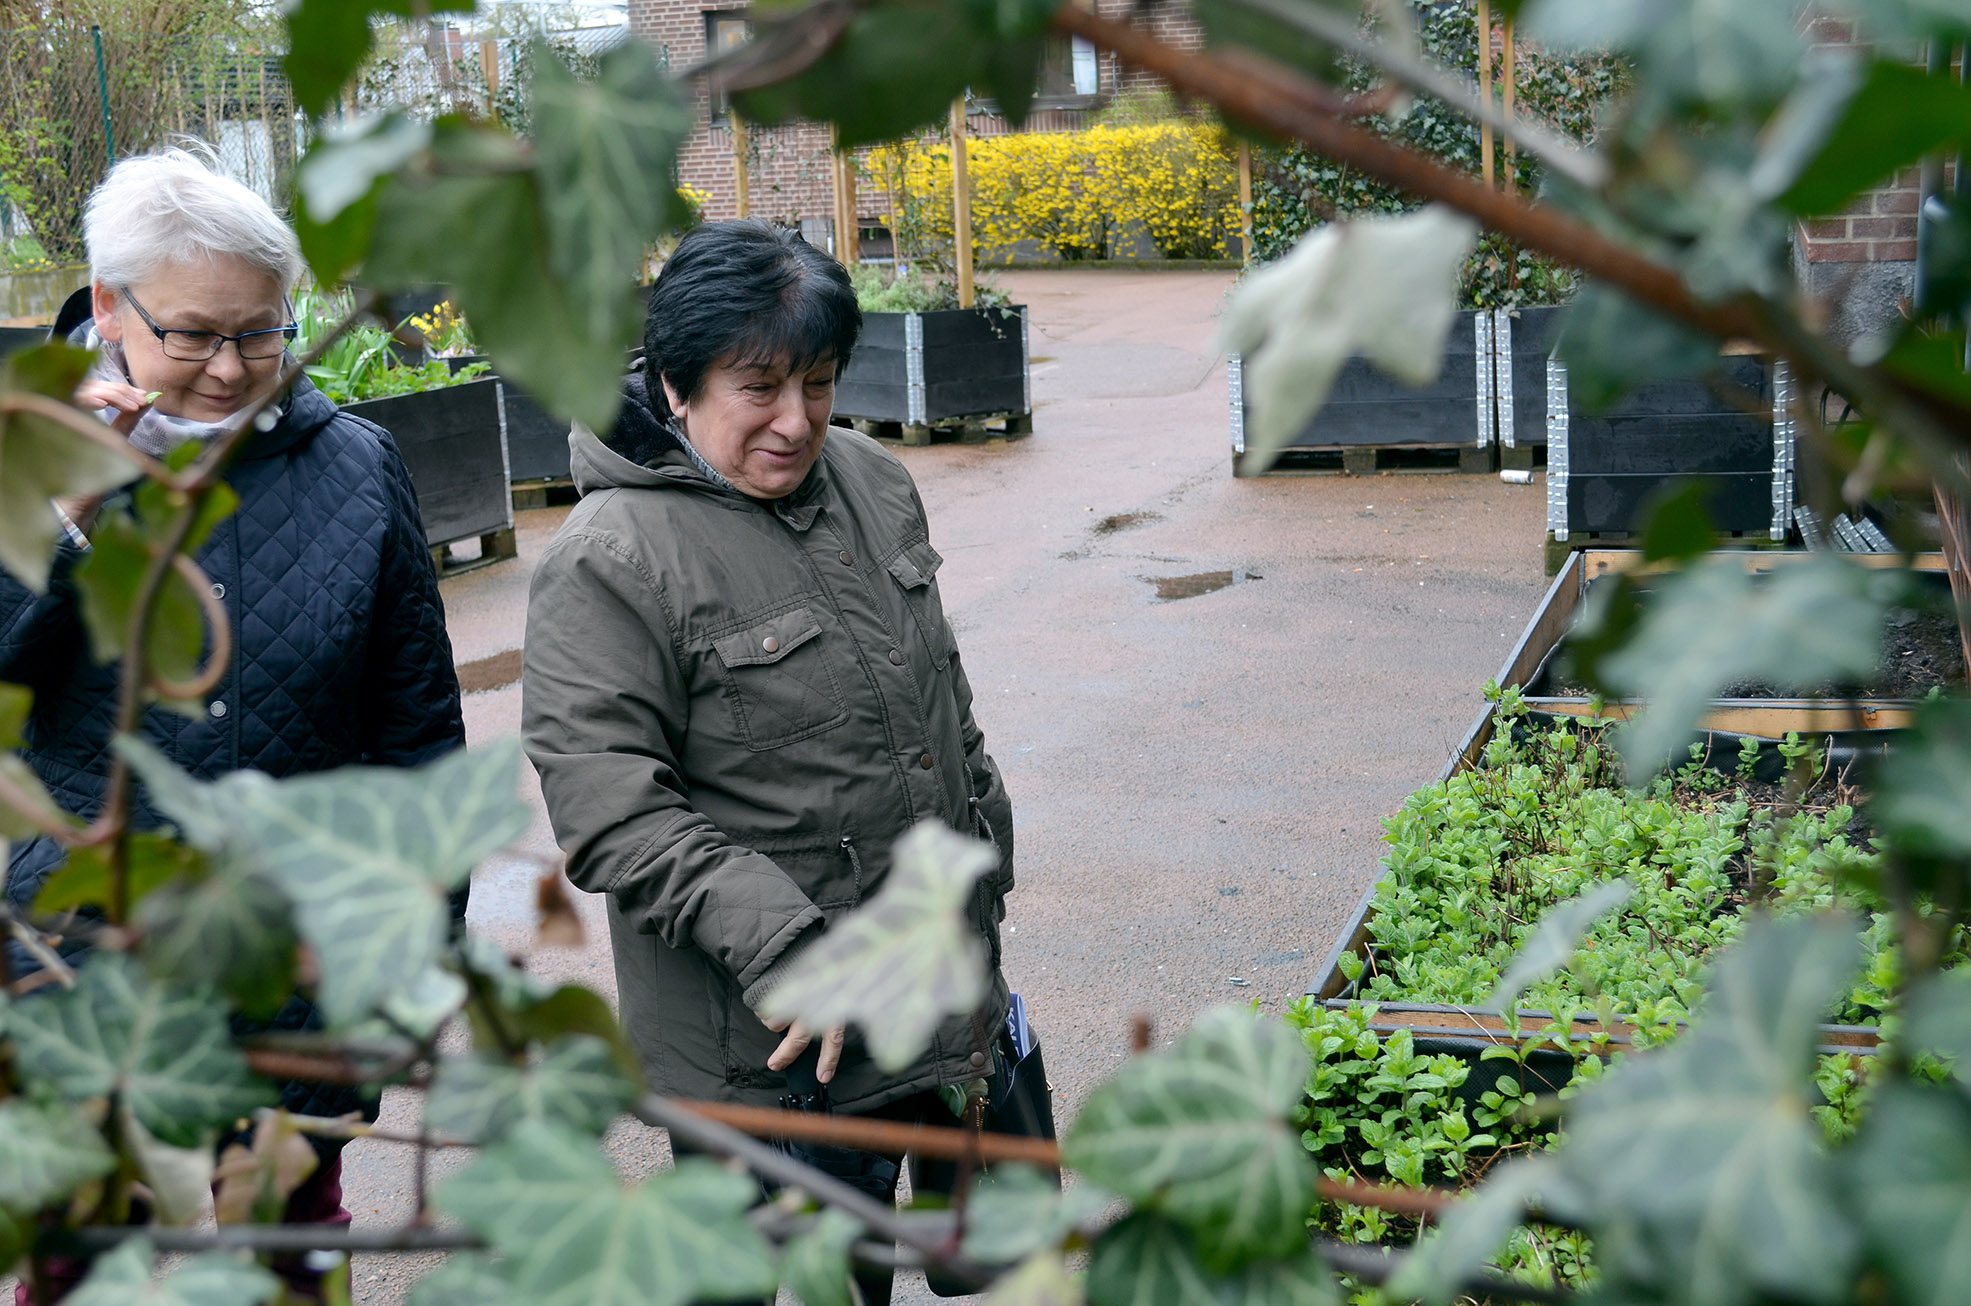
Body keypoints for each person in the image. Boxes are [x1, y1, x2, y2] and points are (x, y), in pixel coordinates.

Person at [523, 219, 1019, 1304]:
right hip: (775, 1059)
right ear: (676, 386)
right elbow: (613, 812)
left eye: (821, 382)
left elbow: (938, 690)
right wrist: (786, 943)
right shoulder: (609, 559)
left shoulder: (874, 479)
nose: (796, 422)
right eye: (759, 388)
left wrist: (986, 841)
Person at [0, 148, 466, 1302]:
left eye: (261, 334)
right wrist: (60, 523)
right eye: (196, 335)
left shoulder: (357, 467)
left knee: (289, 1266)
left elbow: (419, 737)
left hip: (293, 981)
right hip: (87, 972)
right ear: (109, 309)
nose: (231, 369)